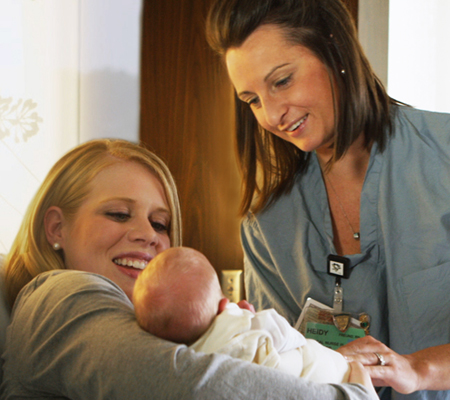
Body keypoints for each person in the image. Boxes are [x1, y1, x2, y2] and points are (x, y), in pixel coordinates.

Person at [0, 138, 375, 399]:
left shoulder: (151, 327)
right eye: (118, 214)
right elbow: (195, 388)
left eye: (160, 223)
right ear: (56, 228)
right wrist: (349, 394)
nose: (147, 235)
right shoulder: (55, 297)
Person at [205, 0, 450, 400]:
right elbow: (280, 374)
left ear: (334, 50)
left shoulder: (443, 156)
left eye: (282, 81)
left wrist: (419, 369)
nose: (271, 115)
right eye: (251, 99)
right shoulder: (266, 226)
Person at [133, 246, 353, 385]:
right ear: (222, 305)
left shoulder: (184, 363)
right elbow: (284, 333)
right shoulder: (239, 321)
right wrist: (251, 319)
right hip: (319, 378)